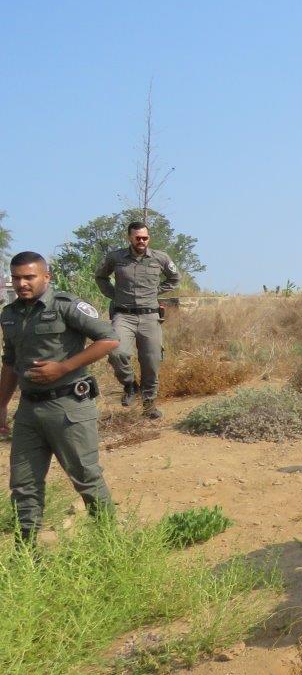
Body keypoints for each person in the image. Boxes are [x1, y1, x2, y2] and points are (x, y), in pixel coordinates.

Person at [1, 251, 119, 542]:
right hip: (29, 411)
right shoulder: (10, 314)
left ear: (46, 277)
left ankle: (111, 547)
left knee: (86, 479)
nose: (21, 284)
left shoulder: (67, 305)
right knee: (24, 486)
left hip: (68, 407)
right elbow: (10, 362)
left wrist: (63, 367)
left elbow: (109, 339)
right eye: (16, 278)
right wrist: (2, 404)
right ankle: (27, 557)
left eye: (29, 277)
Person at [94, 221, 181, 419]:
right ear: (129, 238)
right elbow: (100, 277)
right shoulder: (115, 257)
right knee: (116, 352)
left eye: (145, 238)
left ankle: (149, 406)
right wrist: (114, 295)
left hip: (150, 316)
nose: (141, 241)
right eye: (137, 238)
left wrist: (156, 292)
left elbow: (175, 278)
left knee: (151, 361)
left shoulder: (161, 258)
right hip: (123, 315)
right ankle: (130, 384)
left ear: (148, 238)